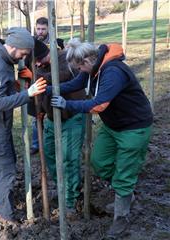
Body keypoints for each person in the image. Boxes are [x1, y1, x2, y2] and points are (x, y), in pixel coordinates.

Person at [49, 38, 153, 237]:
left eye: (80, 67)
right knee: (99, 161)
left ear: (87, 61)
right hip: (113, 126)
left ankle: (121, 217)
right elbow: (75, 83)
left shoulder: (113, 72)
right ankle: (126, 191)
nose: (80, 71)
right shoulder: (92, 69)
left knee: (124, 174)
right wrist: (49, 89)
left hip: (133, 128)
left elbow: (99, 104)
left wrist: (66, 104)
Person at [0, 27, 47, 224]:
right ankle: (5, 215)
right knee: (6, 169)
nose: (24, 57)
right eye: (24, 53)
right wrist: (28, 93)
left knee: (6, 162)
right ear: (14, 47)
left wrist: (13, 84)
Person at [33, 39, 86, 218]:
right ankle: (63, 188)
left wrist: (39, 77)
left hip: (71, 118)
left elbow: (65, 74)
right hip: (50, 120)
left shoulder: (65, 58)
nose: (37, 64)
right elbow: (38, 91)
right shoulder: (38, 66)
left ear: (45, 54)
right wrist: (39, 110)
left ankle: (70, 201)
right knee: (50, 157)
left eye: (38, 60)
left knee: (69, 160)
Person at [30, 17, 65, 155]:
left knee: (54, 113)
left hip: (53, 82)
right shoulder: (31, 43)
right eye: (38, 28)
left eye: (43, 29)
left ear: (48, 29)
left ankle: (57, 142)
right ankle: (36, 144)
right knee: (36, 116)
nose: (40, 31)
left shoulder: (56, 43)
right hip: (36, 81)